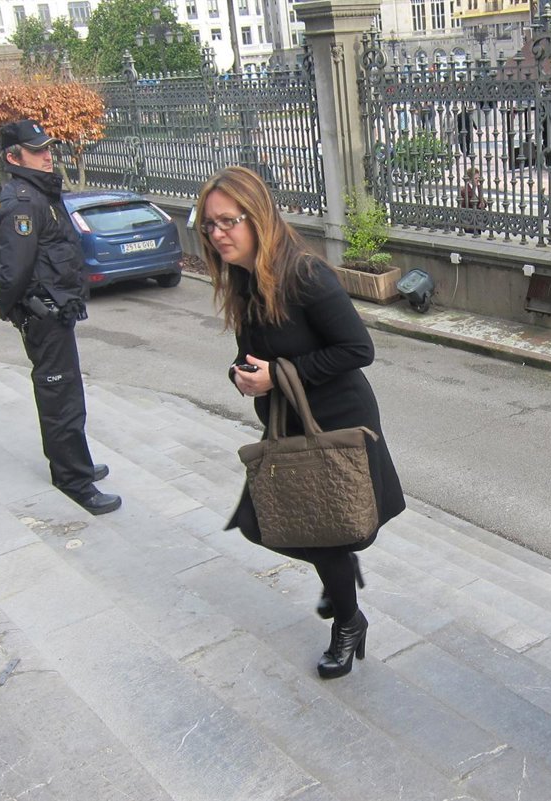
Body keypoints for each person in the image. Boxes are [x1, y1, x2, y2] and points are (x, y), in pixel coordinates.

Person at [197, 166, 405, 679]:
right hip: (286, 422)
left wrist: (280, 374)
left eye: (228, 221)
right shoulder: (246, 279)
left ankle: (349, 622)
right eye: (209, 224)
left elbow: (358, 349)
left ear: (258, 217)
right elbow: (252, 353)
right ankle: (341, 572)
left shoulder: (305, 275)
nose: (217, 233)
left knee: (318, 532)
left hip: (335, 421)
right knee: (265, 526)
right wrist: (241, 376)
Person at [0, 119, 121, 516]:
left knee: (68, 393)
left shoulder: (39, 193)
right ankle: (73, 481)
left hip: (57, 310)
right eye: (37, 150)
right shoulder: (23, 203)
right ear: (14, 157)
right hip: (44, 315)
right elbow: (14, 269)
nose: (47, 155)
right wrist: (5, 303)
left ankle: (76, 463)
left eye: (47, 148)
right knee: (59, 397)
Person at [458, 166, 487, 235]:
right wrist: (479, 204)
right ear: (470, 180)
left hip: (478, 219)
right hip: (469, 221)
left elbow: (483, 200)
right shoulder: (464, 190)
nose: (478, 180)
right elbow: (466, 204)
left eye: (478, 178)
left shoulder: (479, 188)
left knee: (478, 236)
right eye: (475, 178)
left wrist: (483, 203)